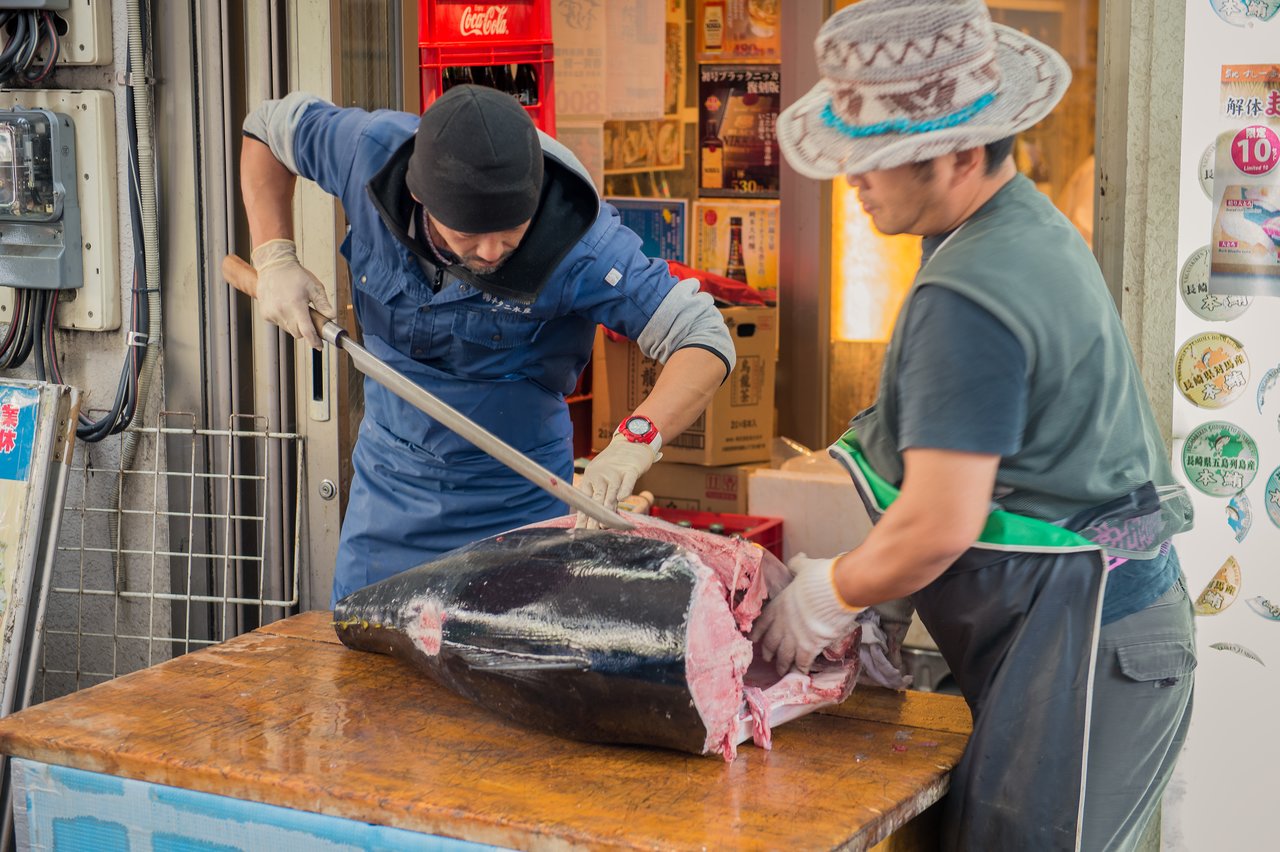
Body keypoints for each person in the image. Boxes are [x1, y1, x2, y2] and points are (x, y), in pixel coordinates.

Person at [756, 2, 1196, 849]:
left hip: (1092, 647)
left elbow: (941, 521)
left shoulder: (970, 290)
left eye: (877, 158)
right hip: (1086, 634)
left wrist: (831, 591)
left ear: (962, 154)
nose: (855, 179)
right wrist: (878, 595)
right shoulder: (1008, 224)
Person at [240, 85, 734, 604]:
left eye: (513, 229)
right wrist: (274, 256)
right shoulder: (371, 152)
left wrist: (636, 440)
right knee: (364, 640)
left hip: (517, 501)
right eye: (470, 234)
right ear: (420, 198)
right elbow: (268, 129)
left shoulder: (583, 245)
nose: (493, 252)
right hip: (387, 488)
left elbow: (702, 336)